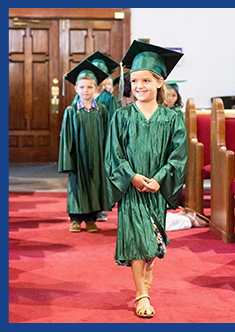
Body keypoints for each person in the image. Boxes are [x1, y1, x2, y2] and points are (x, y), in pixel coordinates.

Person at [105, 40, 187, 318]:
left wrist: (160, 179)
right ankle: (142, 294)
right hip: (132, 189)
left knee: (152, 244)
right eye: (134, 80)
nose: (139, 85)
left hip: (156, 190)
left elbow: (178, 155)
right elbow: (113, 154)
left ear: (160, 82)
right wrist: (132, 177)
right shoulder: (122, 116)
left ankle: (147, 270)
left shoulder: (172, 118)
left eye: (146, 80)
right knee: (138, 241)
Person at [58, 59, 110, 233]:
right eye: (82, 87)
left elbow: (107, 134)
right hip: (77, 156)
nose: (85, 91)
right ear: (76, 89)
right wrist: (68, 159)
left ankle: (91, 220)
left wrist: (107, 157)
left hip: (97, 156)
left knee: (95, 184)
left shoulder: (101, 110)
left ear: (96, 89)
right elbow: (66, 137)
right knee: (77, 185)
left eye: (89, 87)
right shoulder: (71, 111)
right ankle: (75, 219)